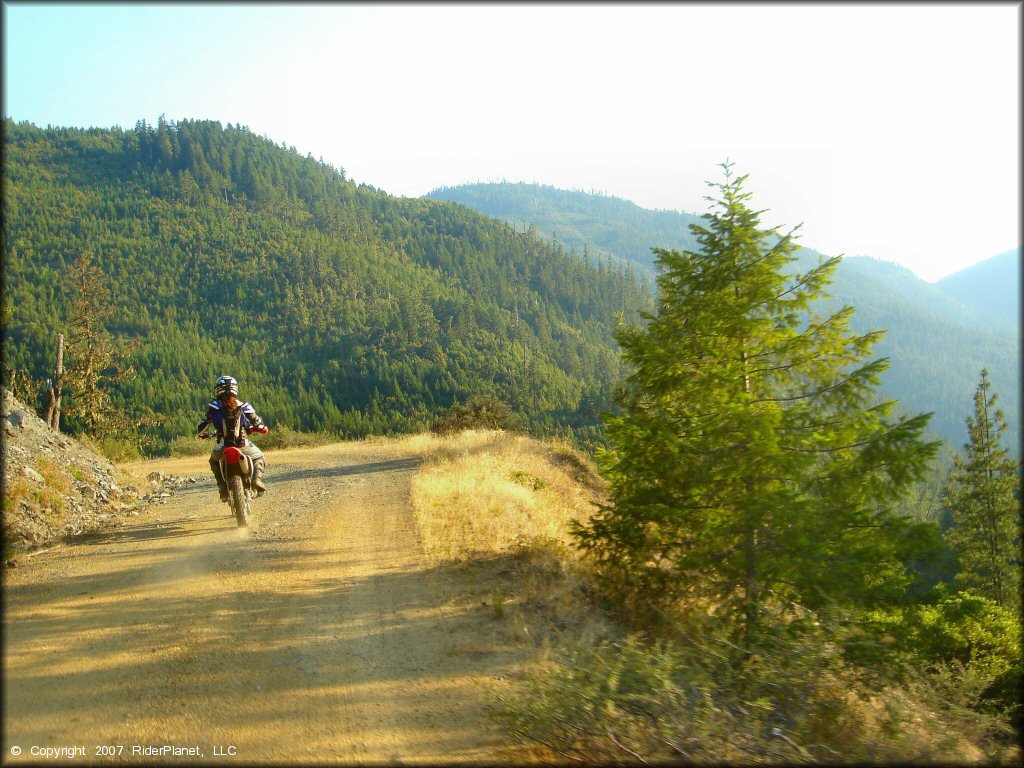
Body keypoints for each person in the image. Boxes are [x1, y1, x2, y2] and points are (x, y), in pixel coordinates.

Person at [197, 375, 269, 502]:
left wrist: (202, 435)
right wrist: (262, 429)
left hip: (222, 446)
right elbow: (258, 424)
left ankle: (223, 489)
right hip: (243, 445)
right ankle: (256, 480)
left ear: (217, 390)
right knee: (259, 457)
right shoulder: (244, 406)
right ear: (235, 389)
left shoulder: (213, 407)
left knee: (213, 461)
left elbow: (202, 426)